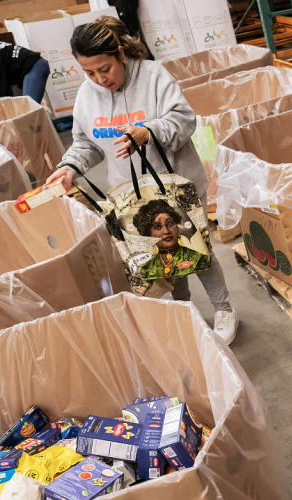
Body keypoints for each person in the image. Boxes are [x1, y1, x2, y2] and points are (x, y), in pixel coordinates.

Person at [45, 16, 238, 345]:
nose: (99, 78)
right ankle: (184, 311)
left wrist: (149, 131)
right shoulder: (87, 96)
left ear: (120, 53)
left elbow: (184, 119)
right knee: (163, 257)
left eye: (104, 68)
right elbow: (86, 144)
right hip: (132, 195)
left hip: (176, 184)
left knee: (195, 249)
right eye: (89, 72)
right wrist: (69, 168)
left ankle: (224, 309)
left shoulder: (152, 76)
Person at [132, 199, 208, 282]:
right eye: (158, 227)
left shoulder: (198, 259)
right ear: (148, 234)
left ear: (177, 227)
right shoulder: (146, 269)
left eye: (170, 224)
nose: (166, 231)